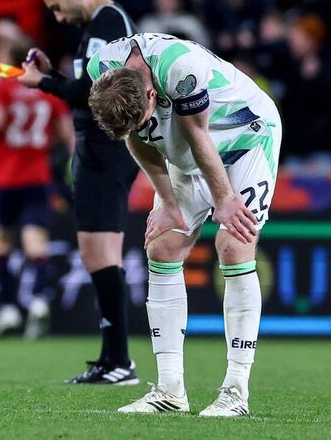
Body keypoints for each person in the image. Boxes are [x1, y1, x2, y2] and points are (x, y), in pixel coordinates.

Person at [87, 33, 279, 418]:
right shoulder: (101, 70)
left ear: (152, 95)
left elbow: (197, 132)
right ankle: (170, 391)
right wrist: (169, 205)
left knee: (233, 244)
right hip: (189, 152)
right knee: (163, 245)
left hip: (244, 138)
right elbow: (136, 136)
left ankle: (235, 391)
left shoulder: (180, 68)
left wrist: (225, 200)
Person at [20, 0, 140, 385]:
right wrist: (52, 74)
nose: (57, 16)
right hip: (97, 149)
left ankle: (120, 361)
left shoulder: (108, 21)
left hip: (107, 149)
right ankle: (112, 359)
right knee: (95, 254)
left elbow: (92, 92)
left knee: (101, 254)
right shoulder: (97, 26)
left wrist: (44, 84)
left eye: (55, 6)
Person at [0, 31, 72, 339]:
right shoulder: (45, 90)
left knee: (2, 243)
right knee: (36, 246)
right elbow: (67, 137)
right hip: (38, 176)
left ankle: (7, 309)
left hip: (5, 175)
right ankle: (40, 302)